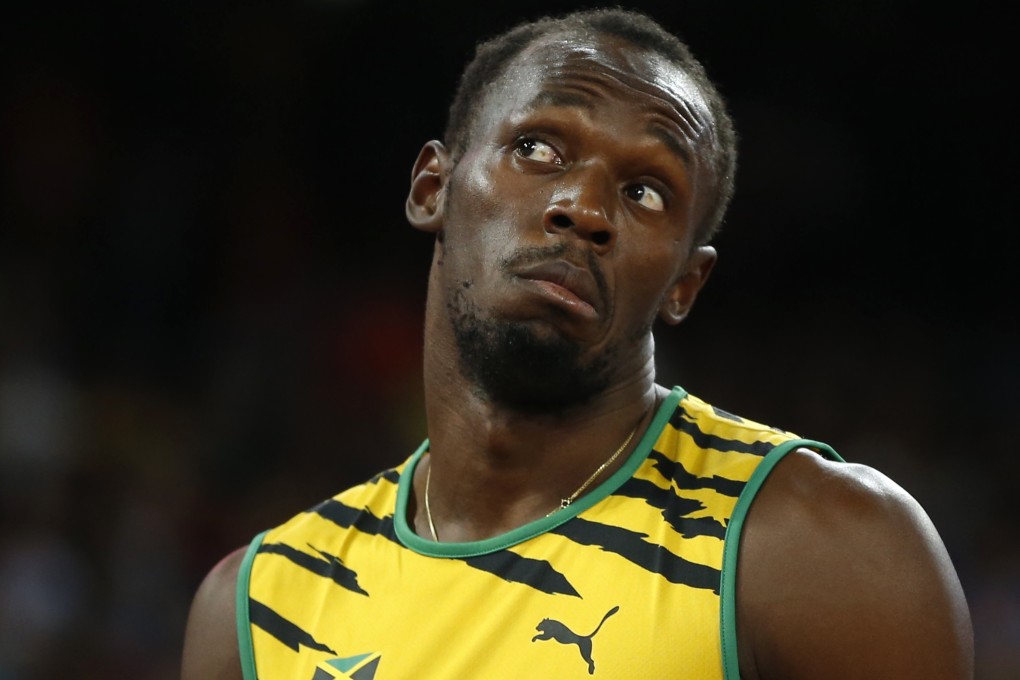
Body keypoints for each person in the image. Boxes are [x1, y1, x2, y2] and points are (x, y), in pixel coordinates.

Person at [181, 7, 974, 679]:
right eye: (539, 149)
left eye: (645, 191)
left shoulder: (827, 551)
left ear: (684, 286)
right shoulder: (255, 612)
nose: (583, 206)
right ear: (433, 188)